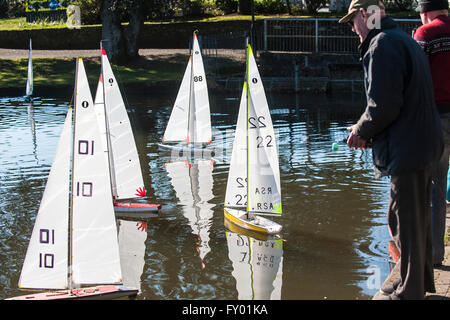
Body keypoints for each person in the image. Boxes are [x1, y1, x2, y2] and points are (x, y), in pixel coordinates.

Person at [338, 0, 444, 299]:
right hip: (422, 141)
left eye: (352, 22)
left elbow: (383, 105)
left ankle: (410, 292)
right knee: (415, 218)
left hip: (409, 147)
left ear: (365, 15)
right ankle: (416, 280)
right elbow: (398, 100)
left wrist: (361, 130)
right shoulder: (402, 39)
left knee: (406, 222)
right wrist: (366, 128)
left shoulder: (381, 44)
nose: (353, 29)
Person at [413, 0, 450, 268]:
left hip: (436, 117)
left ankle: (434, 255)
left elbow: (414, 75)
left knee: (433, 185)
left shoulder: (425, 34)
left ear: (425, 14)